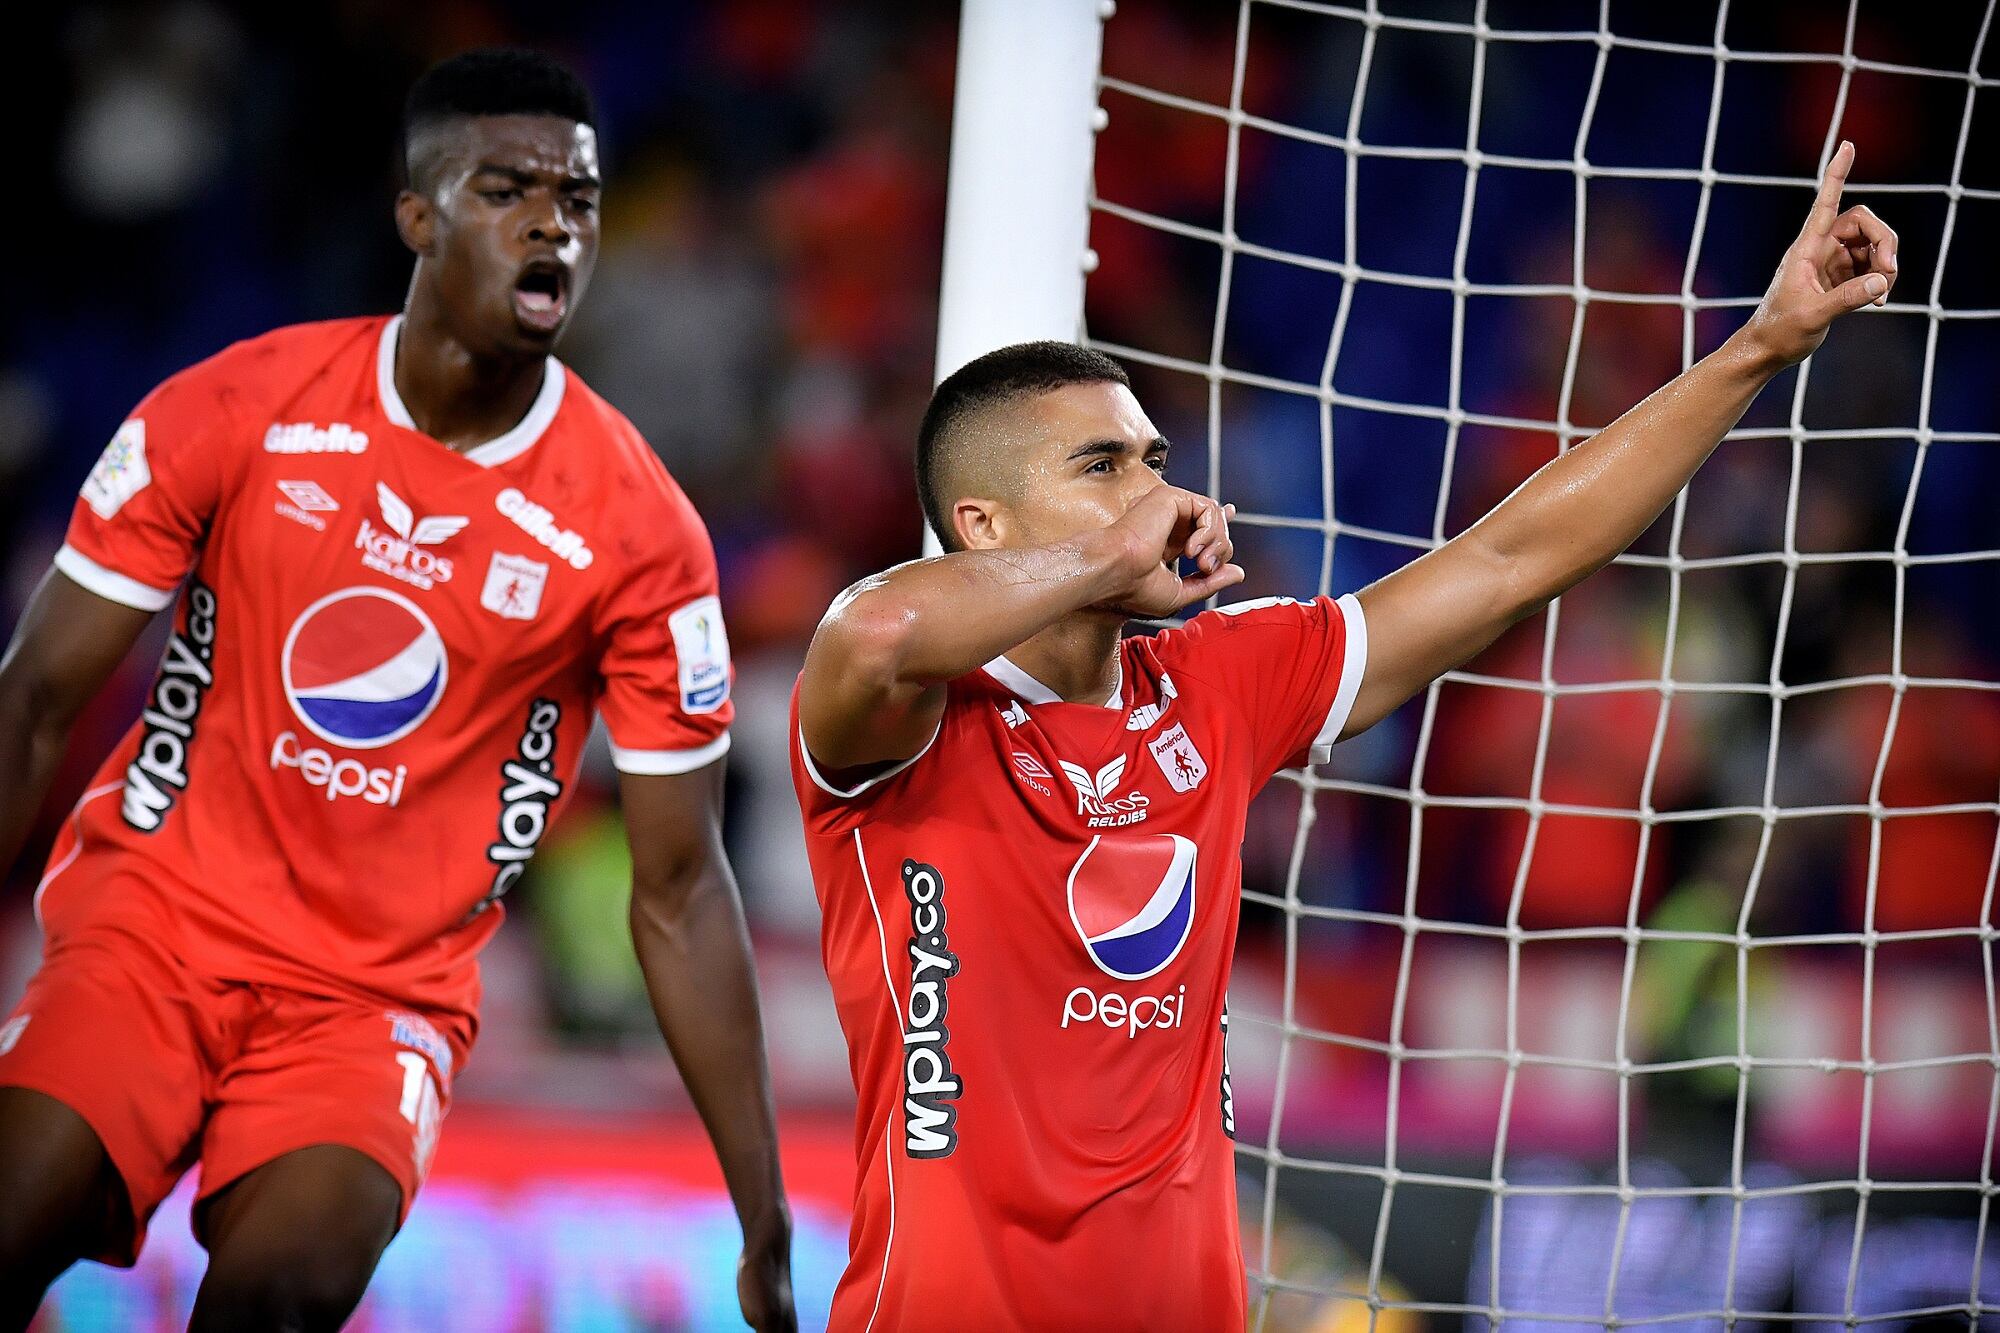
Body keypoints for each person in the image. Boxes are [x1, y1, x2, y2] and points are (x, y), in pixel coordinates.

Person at [791, 145, 1895, 1328]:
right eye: (1102, 466)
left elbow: (1507, 562)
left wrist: (1756, 348)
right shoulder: (912, 718)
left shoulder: (1217, 678)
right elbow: (875, 631)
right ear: (981, 522)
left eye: (1156, 462)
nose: (1159, 492)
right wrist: (1111, 554)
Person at [0, 48, 793, 1332]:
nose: (552, 223)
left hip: (376, 1003)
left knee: (290, 1289)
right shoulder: (238, 407)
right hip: (155, 926)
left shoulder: (641, 532)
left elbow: (682, 884)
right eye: (506, 189)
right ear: (417, 218)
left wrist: (758, 1206)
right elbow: (33, 696)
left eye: (578, 200)